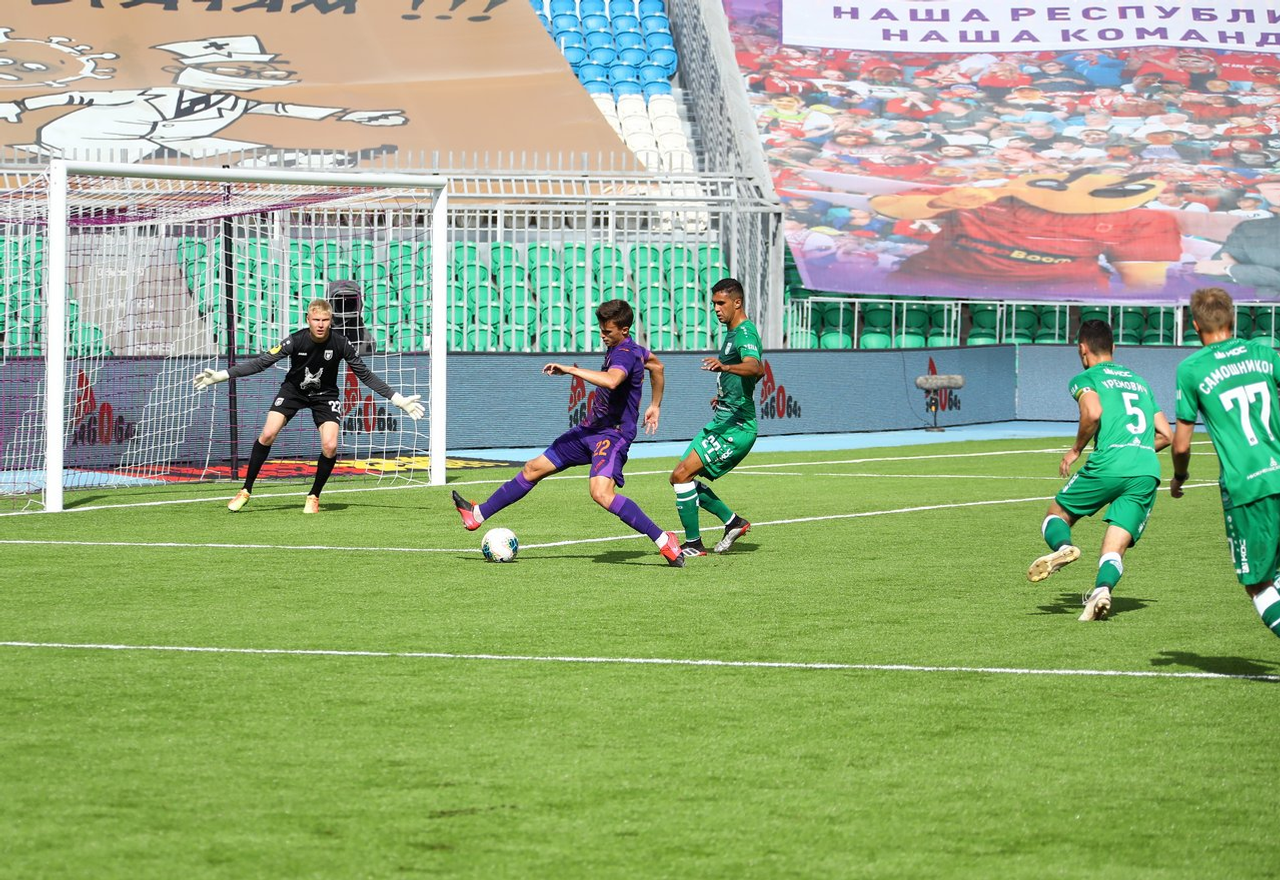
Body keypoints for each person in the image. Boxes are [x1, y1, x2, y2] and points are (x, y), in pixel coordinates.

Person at [450, 299, 684, 567]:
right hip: (589, 430)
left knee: (601, 494)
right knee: (533, 468)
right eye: (601, 329)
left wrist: (571, 369)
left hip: (612, 435)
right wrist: (655, 405)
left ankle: (664, 539)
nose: (602, 335)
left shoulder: (625, 353)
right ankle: (477, 514)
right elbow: (657, 366)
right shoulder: (632, 349)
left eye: (607, 331)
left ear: (624, 330)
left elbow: (612, 380)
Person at [192, 298, 424, 513]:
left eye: (325, 320)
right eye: (316, 320)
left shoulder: (341, 343)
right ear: (308, 319)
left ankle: (314, 495)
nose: (320, 325)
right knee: (268, 433)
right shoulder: (296, 340)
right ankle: (245, 490)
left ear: (331, 320)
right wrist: (222, 375)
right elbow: (262, 363)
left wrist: (398, 399)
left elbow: (365, 375)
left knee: (330, 446)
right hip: (293, 391)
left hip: (325, 396)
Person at [1027, 319, 1172, 621]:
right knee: (1115, 547)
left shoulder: (1086, 378)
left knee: (1056, 515)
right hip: (1146, 470)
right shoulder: (1140, 382)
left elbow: (1092, 412)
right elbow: (1166, 434)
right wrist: (1136, 450)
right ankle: (1102, 591)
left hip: (1109, 462)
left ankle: (1064, 547)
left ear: (1082, 349)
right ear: (1113, 347)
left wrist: (1076, 449)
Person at [1171, 287, 1280, 639]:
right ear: (1233, 317)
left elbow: (1181, 444)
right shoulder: (1265, 354)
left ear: (1194, 325)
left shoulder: (1191, 369)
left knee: (1258, 584)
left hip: (1246, 486)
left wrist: (1179, 476)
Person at [667, 278, 764, 558]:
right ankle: (733, 523)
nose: (716, 309)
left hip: (737, 427)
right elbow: (750, 375)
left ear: (737, 303)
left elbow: (755, 368)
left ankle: (694, 544)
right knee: (679, 478)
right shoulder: (733, 332)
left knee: (681, 475)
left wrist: (725, 367)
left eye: (721, 303)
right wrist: (726, 394)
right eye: (713, 304)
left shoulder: (744, 333)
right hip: (724, 419)